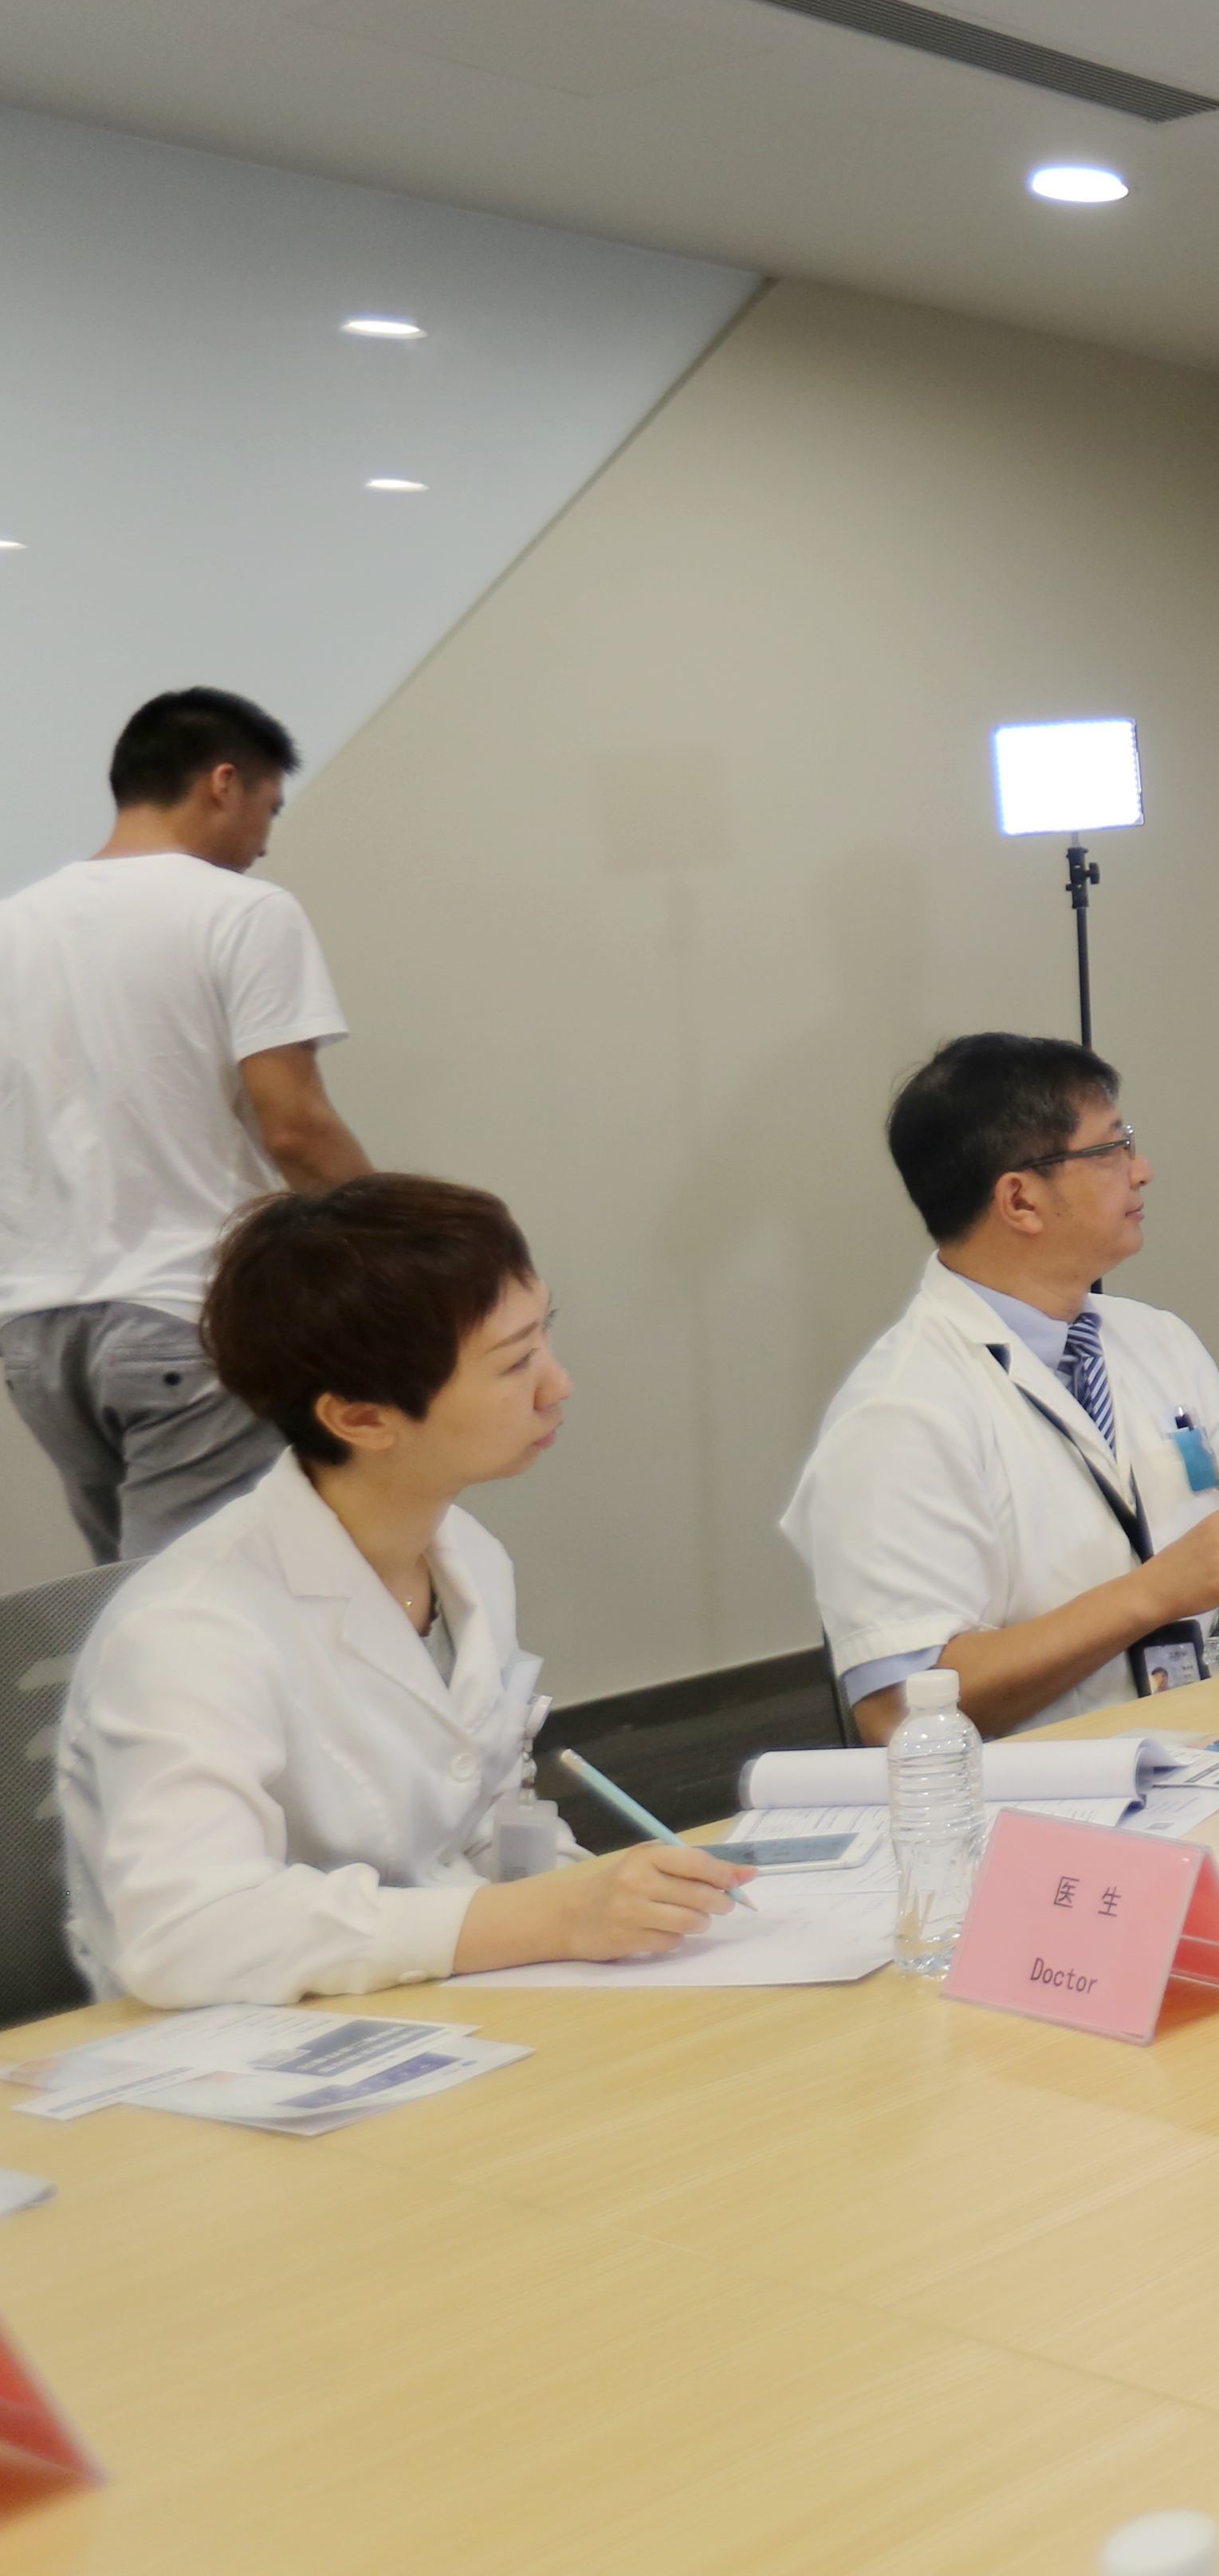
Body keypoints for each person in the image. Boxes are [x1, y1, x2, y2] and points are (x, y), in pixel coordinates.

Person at [60, 1177, 745, 2008]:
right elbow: (187, 1934)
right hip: (243, 2045)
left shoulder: (467, 1556)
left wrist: (611, 1901)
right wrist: (549, 1918)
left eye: (545, 1336)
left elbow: (483, 1830)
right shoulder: (189, 1629)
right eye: (514, 1363)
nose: (557, 1384)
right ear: (360, 1418)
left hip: (435, 2007)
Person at [781, 1036, 1219, 1741]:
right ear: (1021, 1200)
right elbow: (897, 1714)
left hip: (1210, 1740)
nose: (1142, 1170)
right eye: (1112, 1149)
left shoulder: (1154, 1338)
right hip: (1054, 1792)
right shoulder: (898, 1413)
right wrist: (1155, 1592)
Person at [1, 689, 376, 1563]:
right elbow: (296, 1128)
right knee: (205, 1610)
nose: (266, 841)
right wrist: (407, 1246)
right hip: (183, 1310)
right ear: (223, 783)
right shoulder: (243, 911)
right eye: (269, 808)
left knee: (132, 1601)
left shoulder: (11, 928)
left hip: (36, 1334)